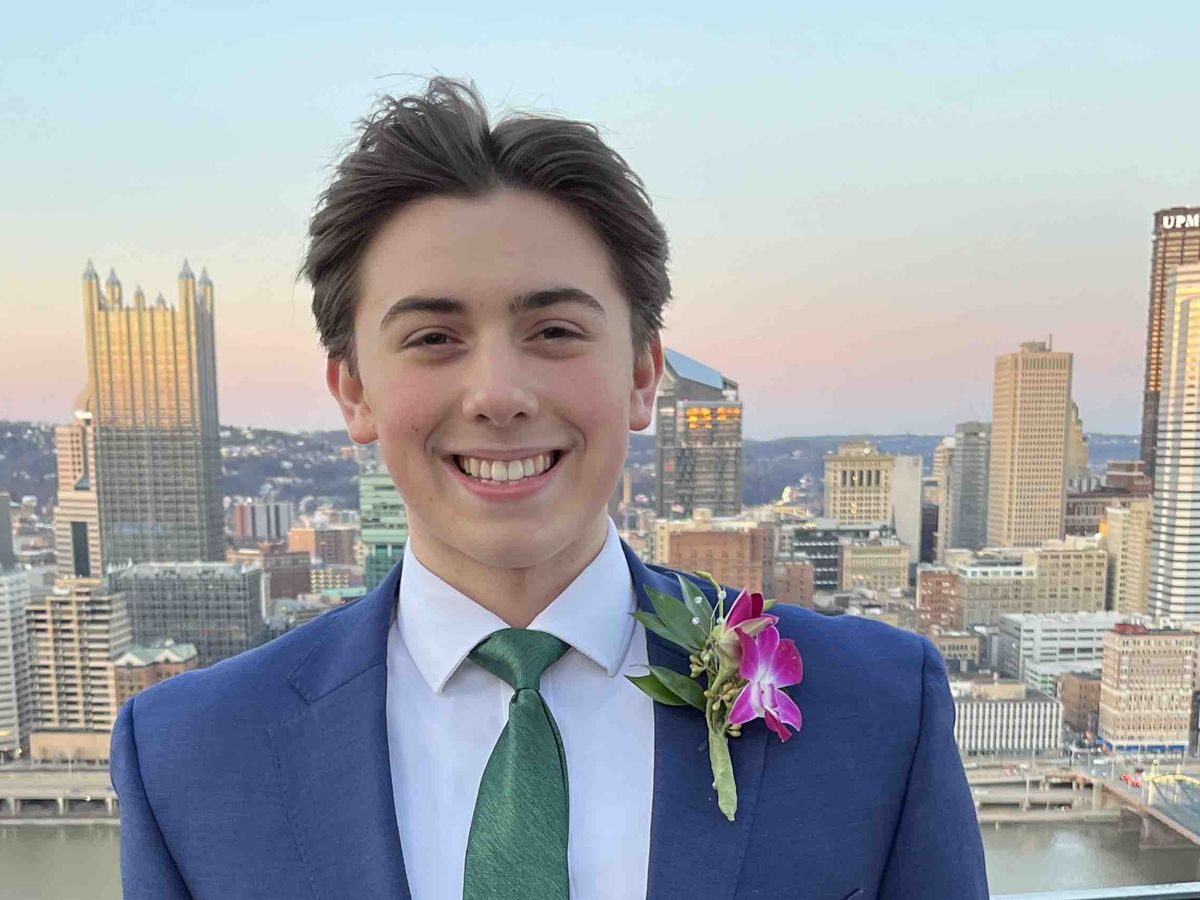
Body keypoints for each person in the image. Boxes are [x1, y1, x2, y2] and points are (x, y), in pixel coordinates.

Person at [110, 77, 989, 899]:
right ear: (354, 391)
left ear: (642, 374)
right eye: (432, 339)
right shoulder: (190, 757)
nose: (498, 395)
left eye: (555, 330)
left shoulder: (876, 708)